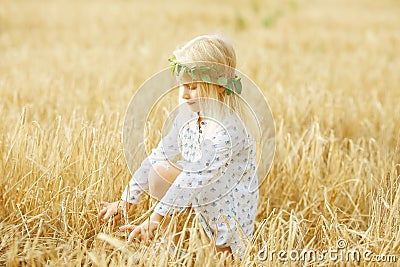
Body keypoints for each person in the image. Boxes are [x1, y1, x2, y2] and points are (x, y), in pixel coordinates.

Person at [98, 34, 259, 258]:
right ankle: (167, 244)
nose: (184, 94)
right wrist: (126, 200)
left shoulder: (228, 131)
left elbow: (192, 179)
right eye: (182, 86)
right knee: (160, 171)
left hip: (226, 209)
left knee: (220, 259)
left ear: (220, 87)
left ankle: (219, 247)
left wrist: (156, 217)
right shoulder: (188, 116)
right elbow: (160, 154)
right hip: (199, 197)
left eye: (192, 86)